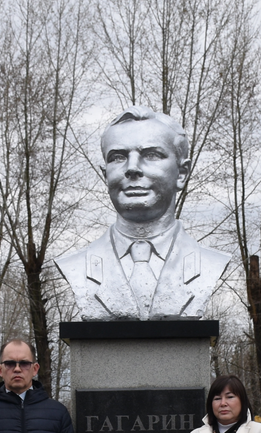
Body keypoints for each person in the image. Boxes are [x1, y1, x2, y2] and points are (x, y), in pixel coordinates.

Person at [54, 109, 232, 320]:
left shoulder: (209, 264)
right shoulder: (77, 266)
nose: (132, 168)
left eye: (151, 155)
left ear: (182, 174)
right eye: (118, 157)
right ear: (105, 175)